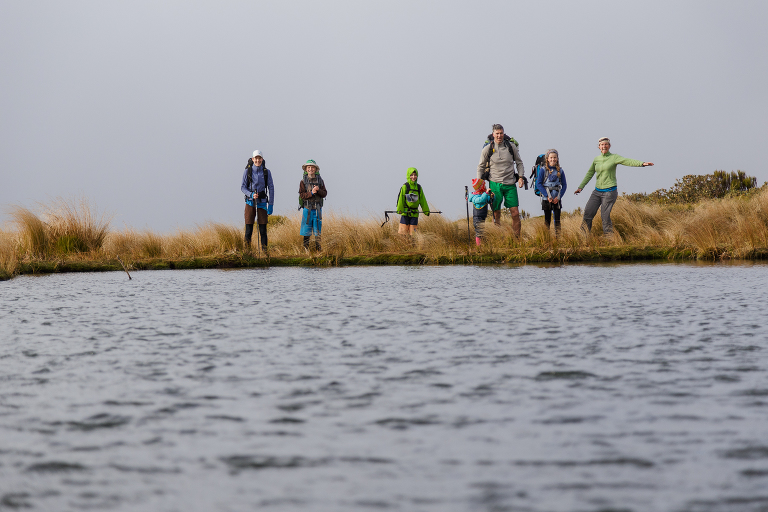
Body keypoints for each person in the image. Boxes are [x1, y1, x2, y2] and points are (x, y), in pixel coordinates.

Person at [574, 137, 654, 236]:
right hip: (597, 191)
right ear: (599, 147)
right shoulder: (596, 159)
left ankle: (609, 239)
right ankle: (583, 237)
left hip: (609, 191)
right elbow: (589, 173)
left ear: (609, 146)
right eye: (602, 145)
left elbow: (627, 161)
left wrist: (642, 164)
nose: (604, 146)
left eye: (606, 144)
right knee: (588, 214)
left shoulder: (614, 157)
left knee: (605, 216)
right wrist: (581, 187)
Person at [477, 124, 525, 237]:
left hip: (510, 184)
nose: (499, 136)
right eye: (497, 133)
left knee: (515, 213)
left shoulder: (511, 146)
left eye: (501, 133)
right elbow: (481, 166)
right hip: (494, 184)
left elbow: (519, 162)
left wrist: (521, 177)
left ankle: (517, 239)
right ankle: (498, 237)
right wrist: (479, 184)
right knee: (496, 214)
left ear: (504, 133)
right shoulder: (487, 149)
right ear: (493, 134)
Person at [241, 150, 274, 252]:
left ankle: (265, 252)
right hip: (250, 202)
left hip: (262, 203)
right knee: (249, 230)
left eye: (259, 158)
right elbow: (243, 187)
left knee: (263, 230)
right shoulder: (247, 171)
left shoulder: (266, 172)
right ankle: (247, 252)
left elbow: (271, 188)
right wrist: (251, 194)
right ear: (252, 159)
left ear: (262, 159)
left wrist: (271, 205)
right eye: (256, 158)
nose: (257, 160)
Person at [536, 149, 567, 237]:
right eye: (551, 158)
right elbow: (539, 184)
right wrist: (547, 196)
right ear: (548, 159)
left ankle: (558, 238)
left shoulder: (560, 171)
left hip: (557, 198)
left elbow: (564, 185)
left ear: (557, 159)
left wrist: (559, 197)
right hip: (547, 199)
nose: (553, 159)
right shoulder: (543, 170)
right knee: (547, 219)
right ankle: (546, 238)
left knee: (557, 220)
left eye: (555, 157)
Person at [298, 159, 327, 251]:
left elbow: (325, 193)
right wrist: (312, 193)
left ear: (315, 169)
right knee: (306, 230)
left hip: (318, 208)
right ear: (306, 169)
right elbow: (302, 195)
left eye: (312, 167)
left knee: (317, 230)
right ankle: (306, 250)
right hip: (307, 208)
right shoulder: (303, 182)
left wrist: (318, 190)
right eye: (309, 167)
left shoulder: (320, 180)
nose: (310, 169)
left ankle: (318, 249)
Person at [396, 167, 430, 235]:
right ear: (408, 176)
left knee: (413, 234)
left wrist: (426, 211)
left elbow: (423, 200)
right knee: (403, 233)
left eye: (415, 175)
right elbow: (401, 199)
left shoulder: (419, 188)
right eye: (411, 175)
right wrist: (399, 209)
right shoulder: (405, 187)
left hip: (414, 214)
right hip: (405, 213)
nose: (413, 177)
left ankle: (413, 245)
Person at [468, 178, 493, 246]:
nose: (485, 187)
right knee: (479, 231)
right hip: (477, 217)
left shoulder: (483, 195)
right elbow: (481, 200)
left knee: (482, 230)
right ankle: (478, 246)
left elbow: (488, 200)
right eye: (484, 186)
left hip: (483, 216)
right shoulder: (474, 197)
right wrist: (486, 193)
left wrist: (492, 197)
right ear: (481, 187)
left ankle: (481, 244)